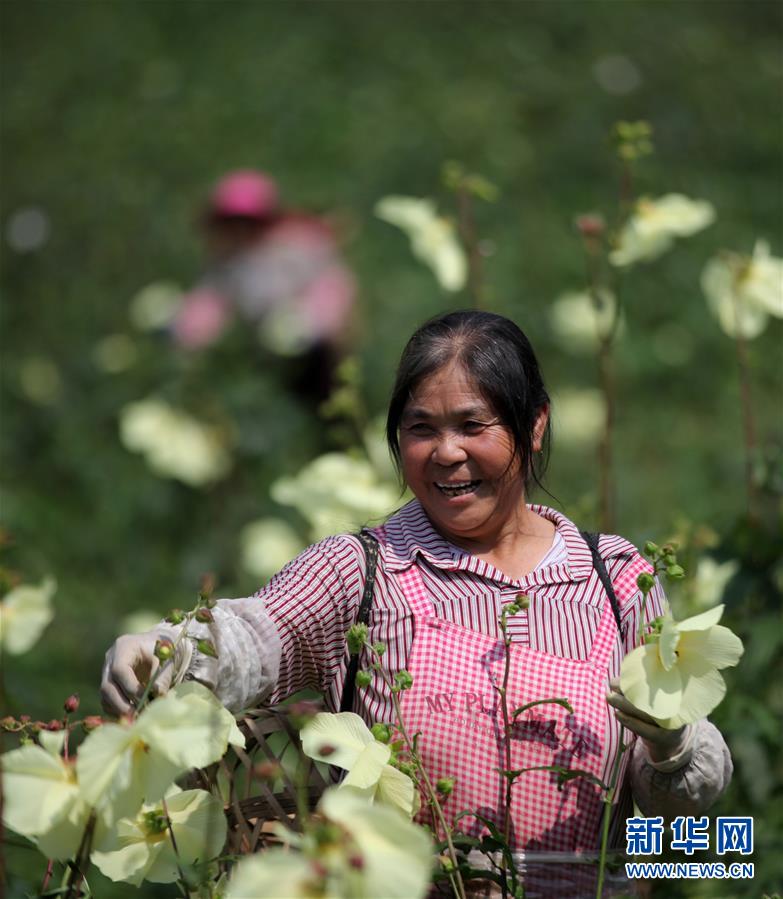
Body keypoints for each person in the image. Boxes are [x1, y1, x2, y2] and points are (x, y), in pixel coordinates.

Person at [102, 311, 732, 897]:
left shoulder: (617, 578)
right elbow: (251, 639)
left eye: (472, 425)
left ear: (534, 425)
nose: (447, 453)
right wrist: (164, 652)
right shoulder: (363, 571)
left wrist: (670, 753)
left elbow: (691, 829)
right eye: (420, 429)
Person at [171, 168, 356, 402]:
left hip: (317, 346)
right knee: (282, 397)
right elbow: (210, 300)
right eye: (231, 223)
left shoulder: (294, 248)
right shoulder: (226, 262)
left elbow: (330, 286)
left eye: (248, 222)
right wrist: (190, 332)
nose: (240, 230)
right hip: (267, 347)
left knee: (327, 394)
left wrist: (313, 320)